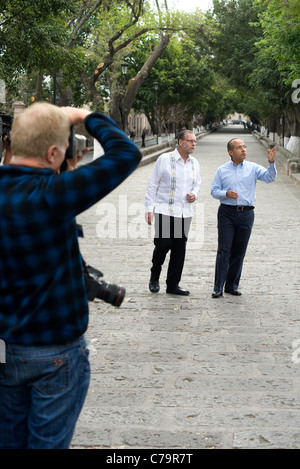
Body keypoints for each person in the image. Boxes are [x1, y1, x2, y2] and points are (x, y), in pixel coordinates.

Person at [0, 102, 141, 449]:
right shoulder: (53, 195)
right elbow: (126, 153)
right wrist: (85, 117)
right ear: (52, 153)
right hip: (56, 354)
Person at [211, 137, 277, 298]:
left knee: (239, 251)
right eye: (239, 147)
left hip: (246, 214)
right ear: (230, 152)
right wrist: (225, 193)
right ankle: (218, 287)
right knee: (224, 250)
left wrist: (271, 163)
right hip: (227, 213)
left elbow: (269, 178)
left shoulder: (253, 168)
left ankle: (232, 286)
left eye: (244, 146)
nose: (243, 150)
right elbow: (213, 190)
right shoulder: (222, 170)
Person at [145, 130, 201, 295]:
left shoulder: (194, 163)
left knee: (179, 249)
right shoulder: (164, 159)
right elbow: (152, 184)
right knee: (163, 244)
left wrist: (195, 194)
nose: (193, 144)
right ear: (180, 142)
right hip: (164, 210)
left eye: (195, 142)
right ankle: (154, 276)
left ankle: (173, 285)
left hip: (184, 212)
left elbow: (197, 184)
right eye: (190, 141)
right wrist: (149, 208)